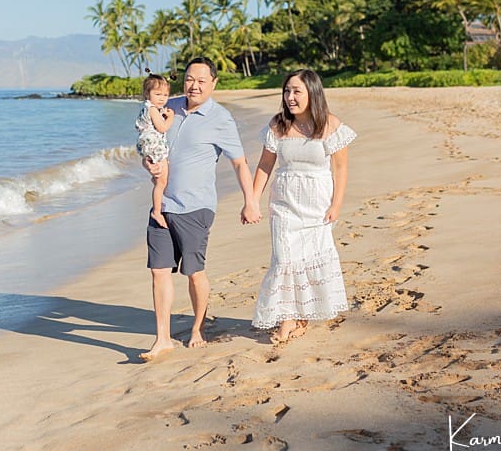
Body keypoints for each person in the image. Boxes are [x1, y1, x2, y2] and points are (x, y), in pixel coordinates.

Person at [141, 57, 260, 361]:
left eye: (201, 81)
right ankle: (163, 338)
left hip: (196, 207)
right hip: (162, 204)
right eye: (189, 79)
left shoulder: (221, 118)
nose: (193, 85)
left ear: (213, 83)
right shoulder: (169, 106)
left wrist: (250, 200)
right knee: (159, 271)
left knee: (194, 273)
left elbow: (238, 162)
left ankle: (197, 328)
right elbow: (148, 140)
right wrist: (146, 161)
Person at [248, 68, 356, 343]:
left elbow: (341, 169)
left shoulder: (330, 125)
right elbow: (265, 165)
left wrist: (337, 205)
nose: (290, 97)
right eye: (287, 91)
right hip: (284, 204)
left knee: (307, 261)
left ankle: (301, 316)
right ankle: (287, 320)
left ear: (312, 93)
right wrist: (252, 201)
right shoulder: (278, 125)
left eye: (296, 91)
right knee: (284, 260)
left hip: (317, 205)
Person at [135, 74, 175, 229]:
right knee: (162, 181)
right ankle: (157, 211)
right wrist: (170, 117)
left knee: (159, 177)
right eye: (157, 94)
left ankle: (157, 188)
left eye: (165, 95)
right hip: (154, 145)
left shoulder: (146, 107)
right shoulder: (152, 109)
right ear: (147, 93)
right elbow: (163, 127)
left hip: (147, 144)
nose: (162, 98)